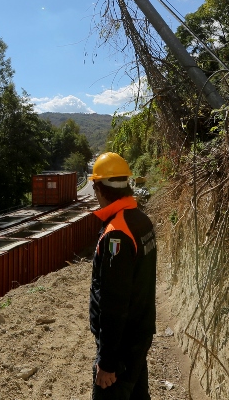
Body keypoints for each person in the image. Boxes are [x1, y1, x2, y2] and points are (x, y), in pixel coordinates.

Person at [88, 152, 158, 400]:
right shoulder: (141, 221)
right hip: (138, 337)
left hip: (121, 349)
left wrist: (107, 363)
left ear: (99, 188)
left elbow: (114, 303)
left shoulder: (116, 234)